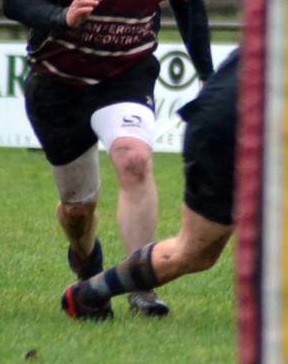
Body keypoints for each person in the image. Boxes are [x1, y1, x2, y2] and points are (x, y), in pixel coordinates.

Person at [3, 0, 213, 319]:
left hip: (125, 75)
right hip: (58, 83)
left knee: (135, 160)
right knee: (78, 209)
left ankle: (142, 287)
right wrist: (62, 17)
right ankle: (86, 258)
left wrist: (207, 75)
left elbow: (189, 8)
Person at [62, 49, 238, 320]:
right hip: (228, 128)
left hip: (225, 118)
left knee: (199, 254)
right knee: (194, 250)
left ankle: (92, 292)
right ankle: (90, 290)